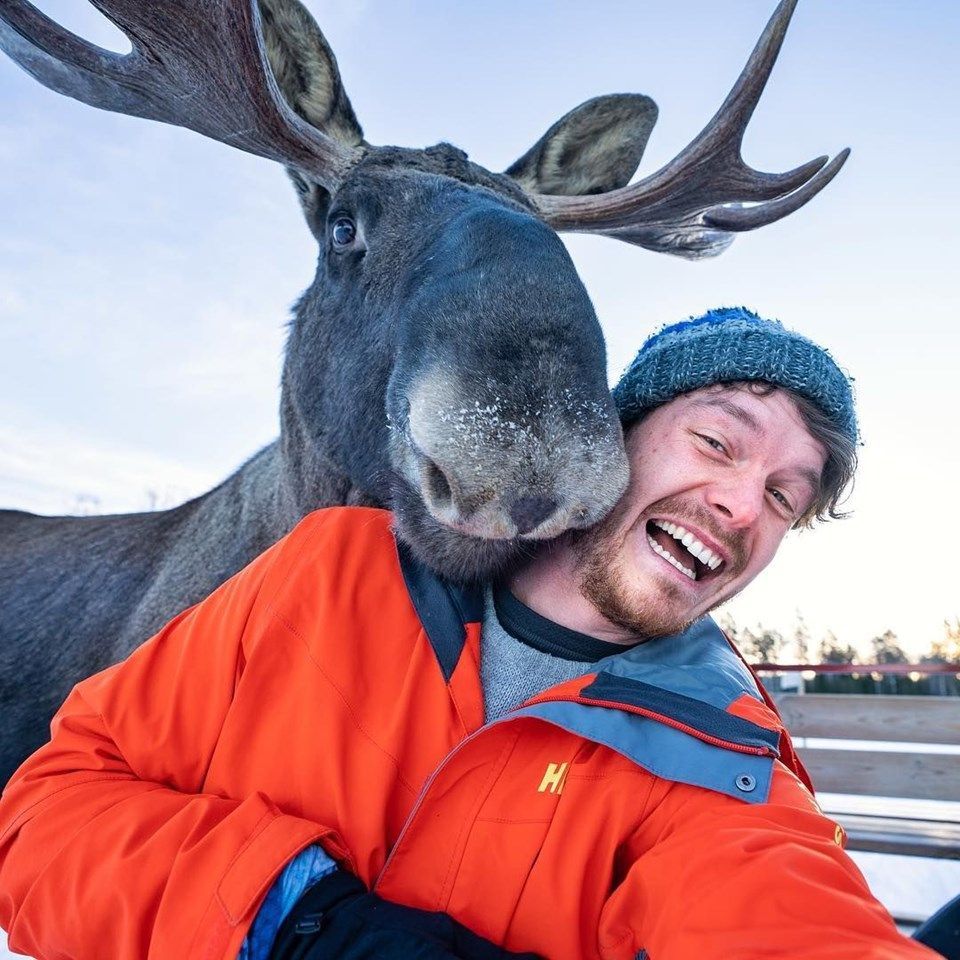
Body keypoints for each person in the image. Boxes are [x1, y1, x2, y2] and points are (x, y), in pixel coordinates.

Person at [0, 308, 937, 960]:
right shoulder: (330, 571)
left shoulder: (722, 758)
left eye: (785, 497)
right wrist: (294, 924)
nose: (742, 503)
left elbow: (781, 913)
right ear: (616, 432)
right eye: (717, 443)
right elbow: (44, 811)